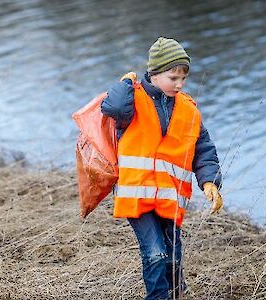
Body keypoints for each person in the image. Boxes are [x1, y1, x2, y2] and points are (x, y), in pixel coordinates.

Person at [101, 37, 224, 299]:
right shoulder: (132, 100)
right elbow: (111, 107)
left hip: (169, 195)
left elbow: (203, 148)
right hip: (136, 195)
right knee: (155, 252)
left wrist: (210, 182)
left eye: (183, 78)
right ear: (154, 74)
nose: (179, 84)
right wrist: (124, 83)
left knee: (173, 253)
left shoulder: (188, 109)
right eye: (173, 77)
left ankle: (178, 292)